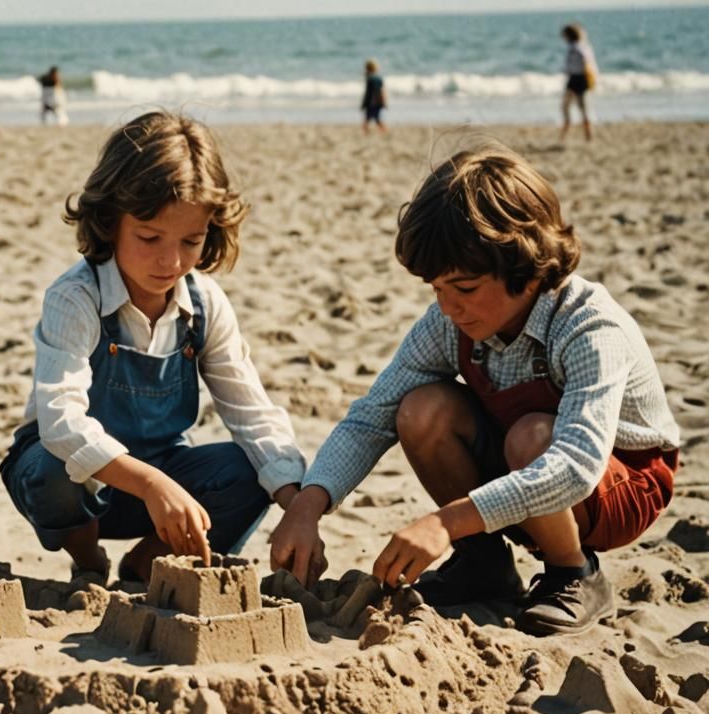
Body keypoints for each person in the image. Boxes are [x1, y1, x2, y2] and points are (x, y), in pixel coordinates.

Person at [269, 145, 680, 636]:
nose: (448, 308)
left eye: (462, 288)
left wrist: (445, 523)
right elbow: (371, 415)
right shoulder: (449, 322)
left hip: (618, 486)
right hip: (518, 465)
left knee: (532, 438)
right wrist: (307, 505)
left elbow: (574, 466)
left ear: (524, 266)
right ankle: (483, 566)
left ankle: (574, 573)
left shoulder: (588, 324)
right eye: (436, 289)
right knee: (420, 408)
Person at [0, 111, 306, 583]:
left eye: (191, 241)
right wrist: (150, 483)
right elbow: (59, 423)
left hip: (162, 479)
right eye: (149, 237)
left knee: (254, 469)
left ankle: (147, 564)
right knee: (54, 471)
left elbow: (253, 414)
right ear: (110, 221)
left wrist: (298, 509)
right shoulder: (76, 297)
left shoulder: (204, 303)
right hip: (76, 487)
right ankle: (87, 560)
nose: (171, 260)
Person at [561, 23, 598, 142]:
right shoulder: (583, 46)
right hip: (580, 78)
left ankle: (573, 131)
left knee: (569, 107)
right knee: (580, 108)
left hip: (577, 79)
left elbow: (582, 61)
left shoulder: (575, 47)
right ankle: (586, 134)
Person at [361, 59, 387, 134]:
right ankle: (384, 131)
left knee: (367, 119)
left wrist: (364, 103)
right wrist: (383, 101)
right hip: (378, 102)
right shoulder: (379, 78)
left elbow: (368, 93)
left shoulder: (369, 79)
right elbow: (382, 91)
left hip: (371, 103)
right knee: (377, 119)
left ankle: (366, 133)